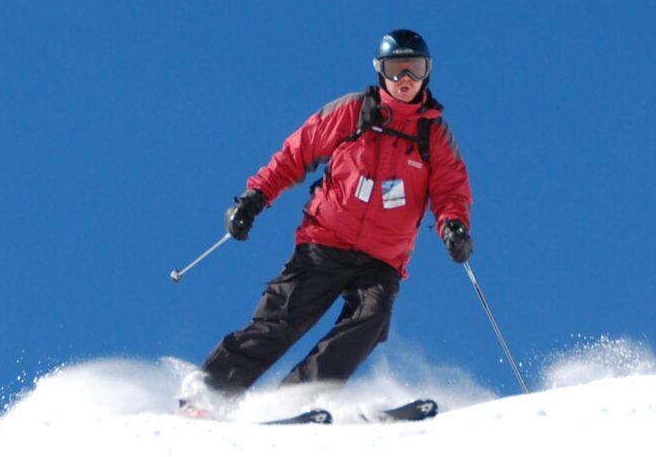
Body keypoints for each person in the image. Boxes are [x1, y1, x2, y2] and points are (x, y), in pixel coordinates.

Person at [182, 29, 473, 413]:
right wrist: (254, 198)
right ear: (379, 72)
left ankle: (293, 401)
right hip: (326, 241)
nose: (405, 80)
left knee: (370, 321)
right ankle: (208, 397)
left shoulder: (432, 134)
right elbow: (295, 154)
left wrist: (454, 227)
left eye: (414, 70)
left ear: (427, 73)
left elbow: (451, 190)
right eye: (395, 69)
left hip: (383, 259)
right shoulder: (354, 111)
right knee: (280, 321)